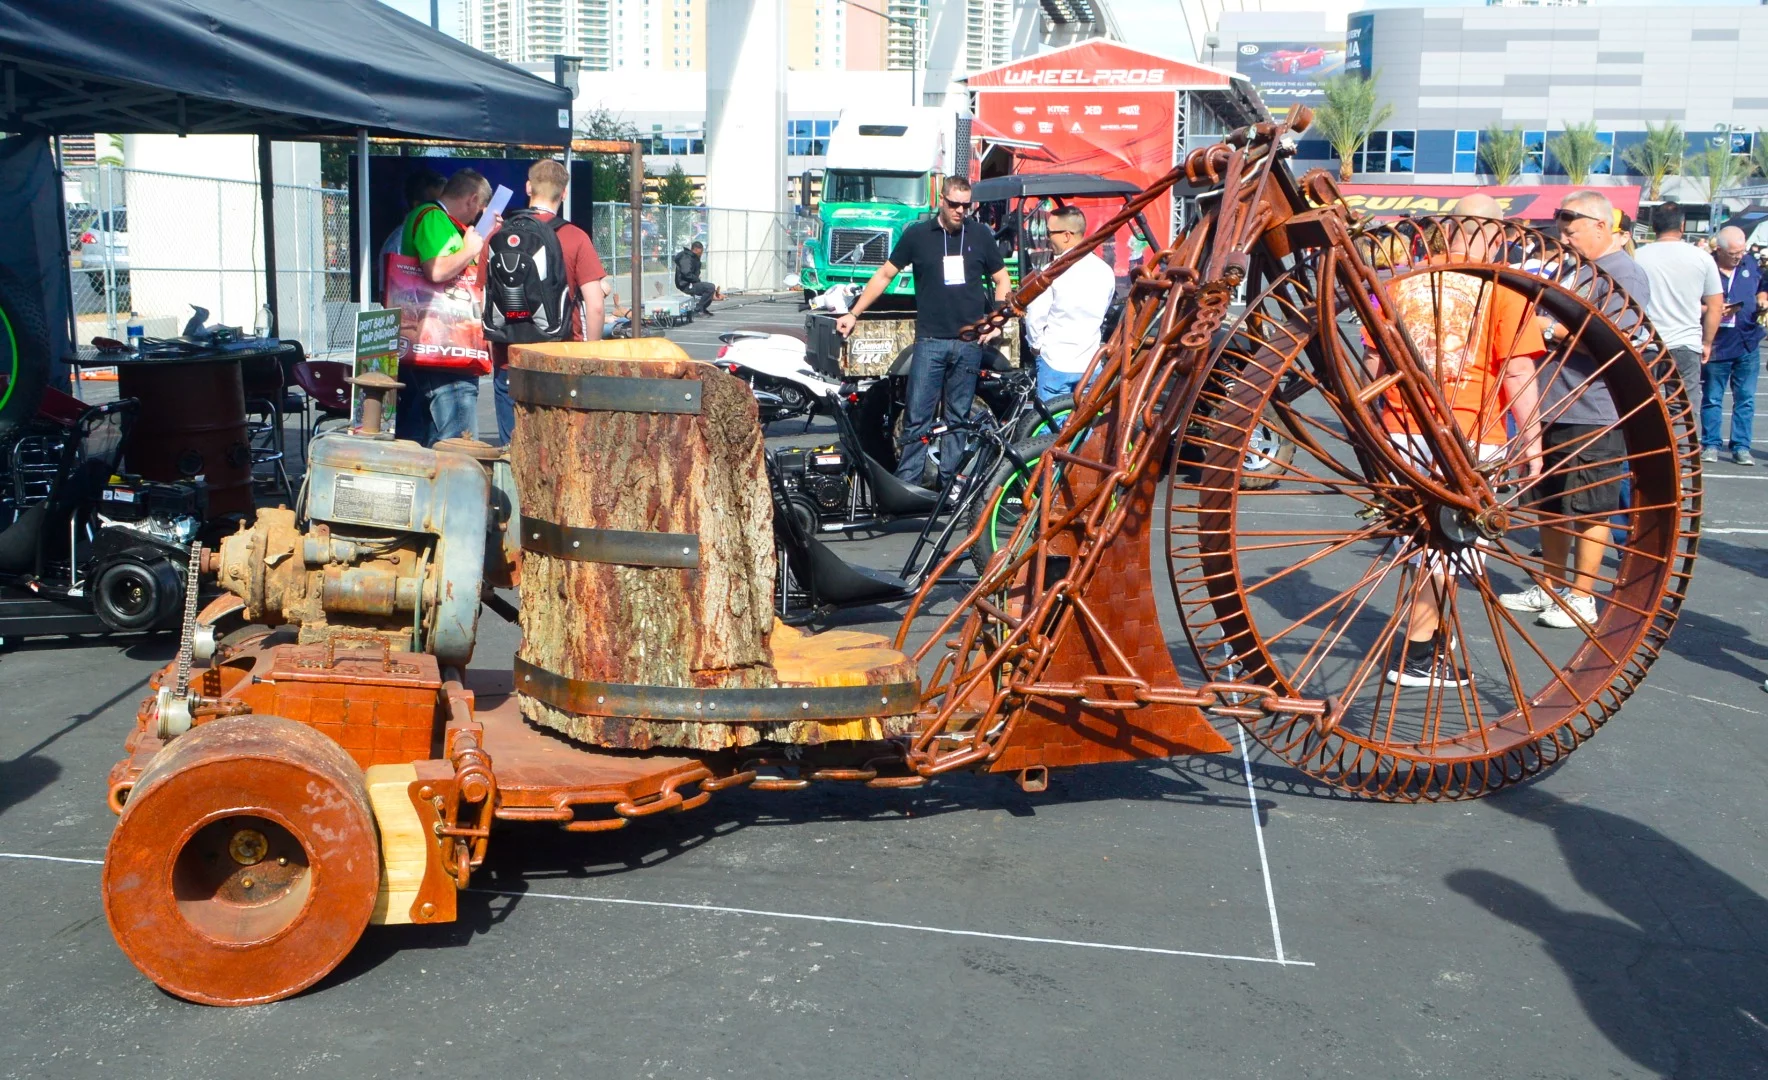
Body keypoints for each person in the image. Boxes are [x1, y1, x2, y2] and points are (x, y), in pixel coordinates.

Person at [1376, 195, 1547, 686]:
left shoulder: (1400, 281)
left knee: (1417, 539)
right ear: (1497, 235)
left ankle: (1429, 634)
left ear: (1448, 230)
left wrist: (1375, 420)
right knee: (1451, 544)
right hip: (1470, 429)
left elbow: (1374, 362)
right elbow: (1517, 370)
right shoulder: (1502, 288)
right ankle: (1418, 651)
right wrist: (1531, 442)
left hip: (1399, 426)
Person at [1501, 189, 1649, 630]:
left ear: (1602, 226)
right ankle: (1550, 585)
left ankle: (1582, 596)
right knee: (1549, 505)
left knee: (1590, 508)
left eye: (1572, 226)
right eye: (1561, 227)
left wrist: (1546, 330)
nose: (1563, 236)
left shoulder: (1624, 274)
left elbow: (1617, 343)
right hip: (1549, 403)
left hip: (1592, 407)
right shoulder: (1573, 271)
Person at [834, 176, 1012, 488]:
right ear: (941, 201)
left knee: (959, 419)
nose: (960, 211)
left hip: (968, 344)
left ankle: (951, 484)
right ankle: (909, 485)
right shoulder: (917, 235)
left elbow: (1002, 280)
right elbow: (885, 274)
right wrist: (854, 312)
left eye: (965, 205)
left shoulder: (980, 235)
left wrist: (994, 321)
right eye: (954, 204)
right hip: (930, 341)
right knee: (918, 416)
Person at [489, 158, 608, 446]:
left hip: (510, 359)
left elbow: (484, 297)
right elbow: (595, 304)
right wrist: (591, 355)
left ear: (528, 187)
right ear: (564, 194)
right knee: (559, 450)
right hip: (561, 357)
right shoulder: (575, 237)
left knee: (512, 451)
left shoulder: (499, 235)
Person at [394, 168, 494, 446]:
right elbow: (436, 270)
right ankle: (456, 486)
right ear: (473, 200)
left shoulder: (441, 222)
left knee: (428, 432)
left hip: (443, 344)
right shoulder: (432, 217)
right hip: (443, 347)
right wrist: (470, 250)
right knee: (457, 436)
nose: (475, 219)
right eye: (478, 212)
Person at [1634, 202, 1722, 422]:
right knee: (1682, 412)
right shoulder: (1702, 258)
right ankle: (1682, 455)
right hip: (1685, 343)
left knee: (1640, 408)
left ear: (1654, 226)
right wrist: (1707, 342)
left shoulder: (1636, 257)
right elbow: (1715, 306)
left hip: (1645, 343)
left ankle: (1642, 454)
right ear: (1682, 225)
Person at [1022, 206, 1115, 402]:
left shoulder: (1051, 272)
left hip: (1055, 362)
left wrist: (1036, 346)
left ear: (1066, 235)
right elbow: (1104, 309)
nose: (1047, 238)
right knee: (1085, 425)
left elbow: (1035, 317)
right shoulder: (1105, 271)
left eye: (1049, 233)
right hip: (1090, 364)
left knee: (1050, 428)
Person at [1702, 225, 1765, 465]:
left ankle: (1741, 446)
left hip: (1748, 340)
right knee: (1713, 398)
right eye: (1734, 253)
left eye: (1742, 251)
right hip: (1716, 343)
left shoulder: (1750, 264)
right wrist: (1713, 310)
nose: (1739, 256)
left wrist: (1763, 297)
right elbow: (1691, 302)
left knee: (1746, 398)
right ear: (1719, 250)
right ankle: (1710, 444)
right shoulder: (1706, 266)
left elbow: (1764, 284)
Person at [377, 168, 444, 302]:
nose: (442, 213)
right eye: (436, 206)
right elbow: (393, 296)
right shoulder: (397, 242)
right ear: (418, 206)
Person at [674, 241, 718, 315]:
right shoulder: (686, 258)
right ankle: (698, 309)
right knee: (710, 287)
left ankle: (702, 309)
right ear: (695, 249)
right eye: (700, 252)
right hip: (686, 285)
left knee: (710, 288)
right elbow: (686, 273)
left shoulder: (693, 258)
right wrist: (696, 279)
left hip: (691, 283)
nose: (701, 254)